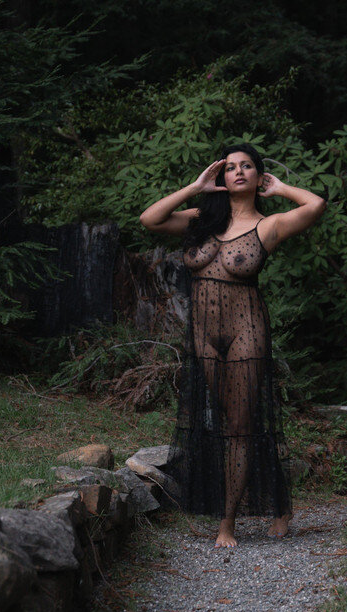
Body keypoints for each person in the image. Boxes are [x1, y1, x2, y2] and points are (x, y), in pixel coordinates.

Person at [139, 143, 326, 548]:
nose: (238, 172)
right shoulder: (199, 221)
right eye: (230, 167)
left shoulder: (268, 225)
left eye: (247, 167)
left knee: (240, 426)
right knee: (230, 422)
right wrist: (195, 187)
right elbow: (149, 219)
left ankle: (227, 523)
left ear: (258, 176)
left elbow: (315, 206)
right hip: (203, 334)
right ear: (220, 176)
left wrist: (281, 188)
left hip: (247, 330)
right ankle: (278, 501)